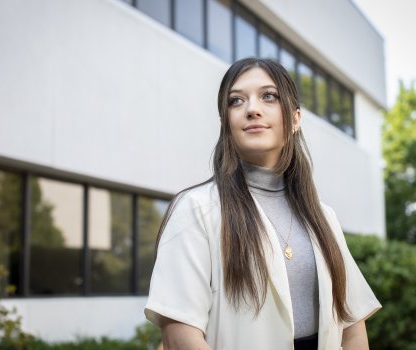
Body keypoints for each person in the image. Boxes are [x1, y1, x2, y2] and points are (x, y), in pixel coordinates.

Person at [144, 57, 381, 350]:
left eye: (268, 96)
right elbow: (180, 335)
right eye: (236, 101)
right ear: (225, 124)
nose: (252, 109)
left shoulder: (323, 216)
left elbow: (352, 327)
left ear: (295, 119)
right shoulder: (195, 209)